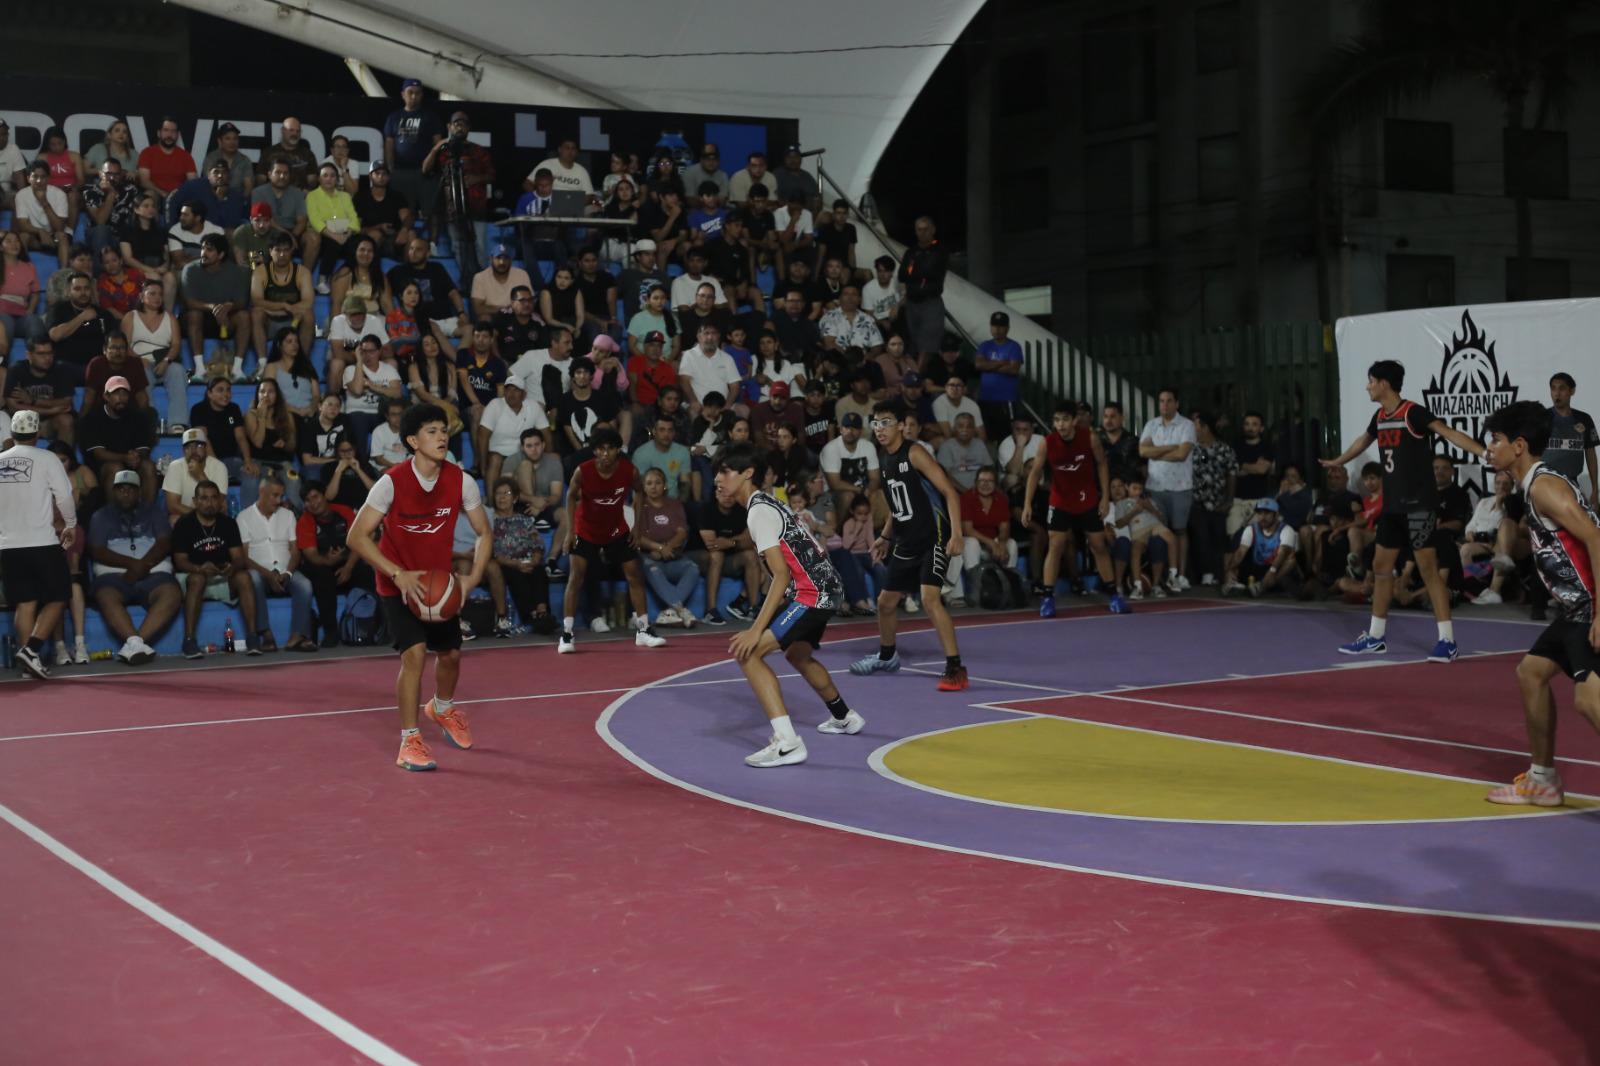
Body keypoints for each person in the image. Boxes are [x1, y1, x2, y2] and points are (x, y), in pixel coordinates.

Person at [345, 404, 492, 771]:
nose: (442, 436)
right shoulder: (391, 482)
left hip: (436, 585)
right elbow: (357, 537)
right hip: (396, 583)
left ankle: (441, 707)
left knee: (452, 656)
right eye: (431, 431)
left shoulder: (462, 481)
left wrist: (472, 578)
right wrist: (397, 574)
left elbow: (484, 532)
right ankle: (409, 740)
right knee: (414, 655)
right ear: (412, 441)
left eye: (444, 430)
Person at [1321, 359, 1488, 661]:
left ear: (1384, 383)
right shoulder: (1380, 416)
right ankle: (1375, 637)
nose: (1368, 386)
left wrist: (1483, 452)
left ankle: (1447, 641)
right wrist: (1339, 460)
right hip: (1393, 506)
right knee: (1381, 568)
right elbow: (1364, 440)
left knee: (1428, 571)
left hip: (1419, 506)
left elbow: (1447, 432)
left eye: (1371, 380)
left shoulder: (1413, 412)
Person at [1479, 401, 1600, 807]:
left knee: (1589, 700)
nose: (1487, 449)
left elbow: (1597, 539)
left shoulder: (1545, 486)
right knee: (1531, 673)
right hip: (1575, 609)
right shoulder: (1529, 486)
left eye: (1494, 441)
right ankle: (1543, 780)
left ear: (1518, 445)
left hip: (1591, 606)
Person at [716, 444, 866, 767]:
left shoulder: (758, 511)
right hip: (826, 586)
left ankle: (787, 743)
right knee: (797, 653)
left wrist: (756, 630)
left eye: (725, 471)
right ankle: (844, 717)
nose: (718, 478)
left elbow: (780, 575)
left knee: (750, 653)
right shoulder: (766, 503)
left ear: (747, 474)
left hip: (812, 593)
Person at [850, 403, 967, 690]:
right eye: (876, 423)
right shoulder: (885, 458)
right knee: (885, 602)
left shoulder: (914, 453)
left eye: (886, 422)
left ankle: (956, 669)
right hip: (906, 539)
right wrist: (886, 537)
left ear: (902, 425)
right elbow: (896, 505)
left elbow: (949, 492)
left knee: (929, 599)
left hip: (934, 537)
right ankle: (888, 656)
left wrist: (957, 534)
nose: (880, 429)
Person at [556, 427, 668, 653]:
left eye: (610, 449)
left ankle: (643, 631)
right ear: (595, 451)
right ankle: (567, 635)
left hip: (616, 531)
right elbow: (570, 497)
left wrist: (637, 528)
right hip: (586, 531)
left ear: (618, 450)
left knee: (634, 575)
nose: (605, 454)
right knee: (576, 577)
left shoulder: (629, 471)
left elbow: (639, 493)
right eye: (600, 449)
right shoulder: (583, 471)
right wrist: (570, 531)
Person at [1022, 401, 1125, 617]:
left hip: (1087, 500)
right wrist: (1027, 504)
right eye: (1057, 420)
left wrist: (1105, 497)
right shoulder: (1047, 443)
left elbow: (1102, 465)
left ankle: (1114, 596)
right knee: (1056, 545)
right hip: (1060, 501)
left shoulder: (1090, 437)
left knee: (1098, 545)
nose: (1061, 424)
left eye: (1065, 419)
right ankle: (1048, 599)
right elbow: (1034, 473)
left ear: (1075, 420)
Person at [0, 410, 76, 679]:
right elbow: (64, 496)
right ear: (38, 433)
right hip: (41, 542)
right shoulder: (47, 458)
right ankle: (31, 650)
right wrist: (70, 523)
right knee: (59, 595)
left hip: (8, 546)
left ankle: (27, 666)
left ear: (12, 433)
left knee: (25, 602)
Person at [88, 469, 182, 664]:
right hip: (114, 575)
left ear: (139, 492)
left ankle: (135, 643)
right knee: (105, 595)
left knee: (172, 593)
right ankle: (135, 643)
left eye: (130, 489)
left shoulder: (154, 512)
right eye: (120, 489)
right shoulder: (100, 516)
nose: (125, 492)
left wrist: (143, 566)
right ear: (113, 492)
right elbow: (97, 551)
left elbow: (164, 542)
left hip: (153, 573)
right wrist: (133, 565)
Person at [170, 479, 257, 659]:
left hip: (221, 577)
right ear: (195, 501)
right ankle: (189, 641)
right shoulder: (184, 524)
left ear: (220, 501)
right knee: (197, 579)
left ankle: (253, 638)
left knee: (244, 577)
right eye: (204, 498)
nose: (209, 503)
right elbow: (180, 561)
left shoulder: (228, 523)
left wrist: (231, 567)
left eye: (213, 498)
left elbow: (239, 558)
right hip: (192, 576)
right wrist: (199, 568)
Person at [1221, 498, 1301, 598]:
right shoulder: (1251, 529)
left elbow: (1283, 552)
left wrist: (1272, 571)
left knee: (1291, 559)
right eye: (1260, 513)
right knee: (1234, 556)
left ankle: (1262, 586)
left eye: (1267, 513)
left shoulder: (1286, 530)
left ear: (1276, 515)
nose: (1262, 517)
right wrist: (1230, 570)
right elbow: (1241, 552)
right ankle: (1231, 583)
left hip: (1275, 569)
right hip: (1258, 567)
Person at [1546, 372, 1599, 505]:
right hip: (1545, 484)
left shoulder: (1584, 419)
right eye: (1553, 388)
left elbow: (1591, 455)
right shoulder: (1541, 418)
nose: (1557, 393)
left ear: (1572, 391)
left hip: (1572, 485)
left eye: (1562, 388)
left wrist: (1595, 490)